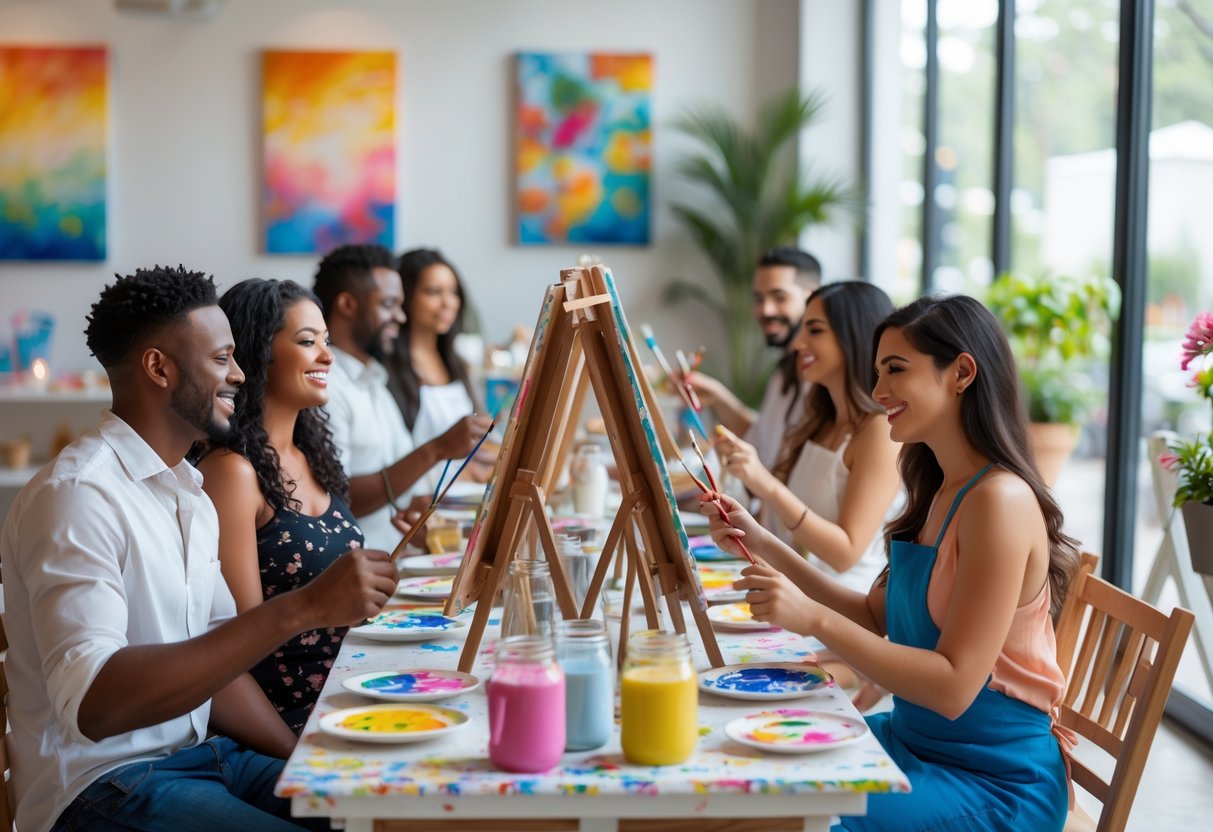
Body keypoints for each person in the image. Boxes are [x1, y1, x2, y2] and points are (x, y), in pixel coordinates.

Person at [0, 266, 398, 832]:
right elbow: (97, 705)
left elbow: (222, 659)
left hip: (204, 758)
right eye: (220, 359)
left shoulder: (186, 489)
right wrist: (305, 607)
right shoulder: (77, 495)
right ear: (159, 368)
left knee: (379, 812)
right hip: (103, 785)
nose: (239, 374)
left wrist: (304, 762)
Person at [708, 295, 1080, 831]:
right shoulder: (940, 489)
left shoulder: (1000, 501)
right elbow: (874, 615)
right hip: (913, 745)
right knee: (747, 769)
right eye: (878, 371)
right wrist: (762, 540)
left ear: (962, 373)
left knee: (782, 809)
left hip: (993, 783)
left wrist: (810, 619)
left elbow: (953, 688)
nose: (878, 392)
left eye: (895, 370)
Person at [193, 278, 364, 735]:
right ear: (256, 353)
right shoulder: (232, 473)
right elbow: (241, 643)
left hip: (347, 693)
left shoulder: (313, 457)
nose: (327, 356)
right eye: (308, 342)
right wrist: (292, 752)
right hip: (287, 719)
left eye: (326, 341)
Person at [712, 281, 901, 593]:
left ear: (852, 336)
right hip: (797, 596)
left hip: (844, 610)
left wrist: (767, 484)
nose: (798, 343)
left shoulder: (880, 431)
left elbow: (845, 554)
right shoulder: (819, 421)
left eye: (814, 330)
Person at [312, 244, 492, 551]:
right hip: (362, 567)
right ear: (347, 304)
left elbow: (396, 479)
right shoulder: (327, 386)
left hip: (402, 555)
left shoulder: (374, 381)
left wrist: (415, 504)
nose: (400, 316)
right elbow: (335, 500)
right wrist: (437, 449)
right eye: (389, 304)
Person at [686, 246, 821, 469]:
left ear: (811, 298)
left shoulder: (821, 380)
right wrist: (717, 396)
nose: (765, 310)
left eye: (779, 297)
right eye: (759, 299)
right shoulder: (781, 373)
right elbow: (763, 443)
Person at [385, 247, 491, 482]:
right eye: (433, 292)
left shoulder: (457, 363)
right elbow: (394, 461)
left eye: (453, 292)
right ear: (405, 296)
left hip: (464, 500)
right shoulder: (387, 370)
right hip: (420, 504)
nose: (448, 303)